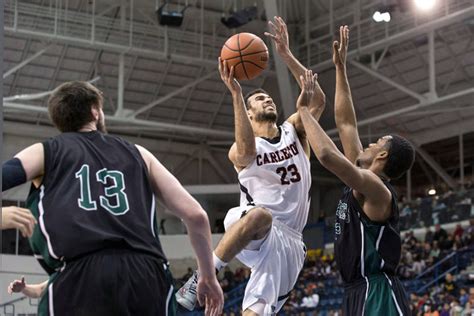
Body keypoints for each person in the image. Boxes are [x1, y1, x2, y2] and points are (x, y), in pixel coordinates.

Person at [1, 81, 223, 316]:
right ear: (95, 112)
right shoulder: (140, 153)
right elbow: (196, 215)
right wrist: (207, 276)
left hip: (79, 277)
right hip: (147, 276)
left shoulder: (45, 151)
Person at [177, 16, 325, 315]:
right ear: (249, 112)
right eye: (259, 99)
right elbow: (245, 153)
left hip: (290, 241)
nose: (268, 100)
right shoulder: (241, 148)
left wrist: (286, 56)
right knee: (260, 216)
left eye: (269, 97)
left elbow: (318, 101)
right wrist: (235, 94)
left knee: (258, 308)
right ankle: (202, 276)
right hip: (250, 226)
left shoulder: (294, 131)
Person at [296, 26, 414, 315]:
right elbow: (346, 123)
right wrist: (340, 68)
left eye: (376, 143)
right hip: (356, 291)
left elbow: (325, 154)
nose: (369, 143)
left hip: (378, 291)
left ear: (383, 155)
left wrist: (303, 112)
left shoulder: (376, 190)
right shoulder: (362, 179)